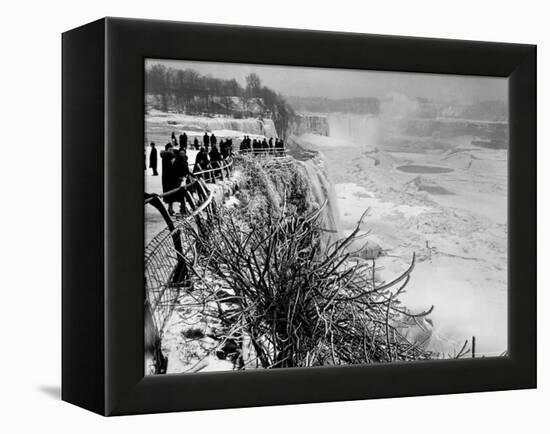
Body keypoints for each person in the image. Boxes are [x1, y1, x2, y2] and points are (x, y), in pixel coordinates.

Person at [160, 144, 177, 215]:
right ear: (166, 149)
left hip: (169, 177)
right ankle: (170, 209)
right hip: (168, 177)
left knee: (171, 194)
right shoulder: (167, 156)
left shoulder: (168, 156)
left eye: (172, 149)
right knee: (170, 194)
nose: (171, 151)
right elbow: (171, 166)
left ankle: (171, 208)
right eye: (170, 149)